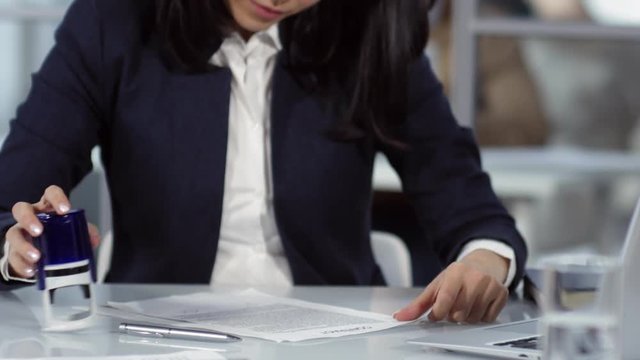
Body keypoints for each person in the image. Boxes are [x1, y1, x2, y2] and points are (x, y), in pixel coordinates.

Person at [0, 0, 527, 324]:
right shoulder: (113, 20)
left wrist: (484, 262)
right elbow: (10, 200)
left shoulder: (369, 28)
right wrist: (16, 243)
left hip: (336, 339)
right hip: (155, 338)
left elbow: (465, 198)